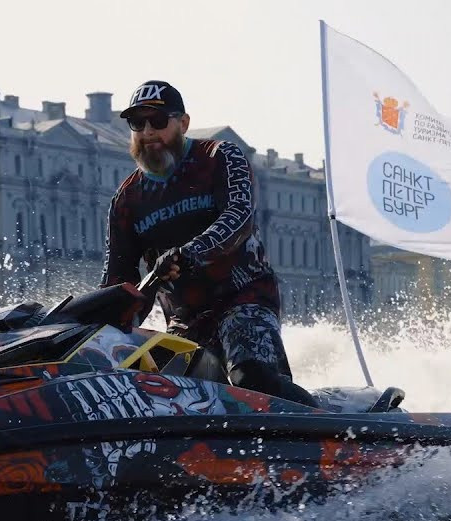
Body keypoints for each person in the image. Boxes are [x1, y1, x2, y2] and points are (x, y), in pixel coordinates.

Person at [101, 80, 317, 408]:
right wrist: (100, 326)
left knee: (249, 377)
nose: (148, 132)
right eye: (137, 123)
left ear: (183, 123)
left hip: (244, 299)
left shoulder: (220, 156)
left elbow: (239, 219)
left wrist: (190, 253)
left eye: (158, 122)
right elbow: (120, 281)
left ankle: (326, 424)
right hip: (185, 322)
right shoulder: (127, 200)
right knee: (137, 390)